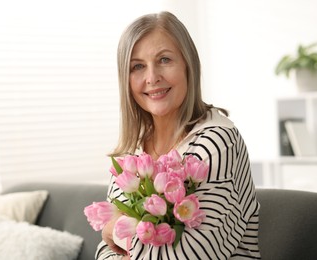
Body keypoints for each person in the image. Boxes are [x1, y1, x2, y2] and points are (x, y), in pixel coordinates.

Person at [95, 11, 261, 260]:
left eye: (164, 60)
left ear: (188, 64)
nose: (152, 78)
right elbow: (103, 252)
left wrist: (112, 230)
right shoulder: (131, 152)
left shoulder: (218, 141)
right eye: (138, 66)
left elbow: (194, 253)